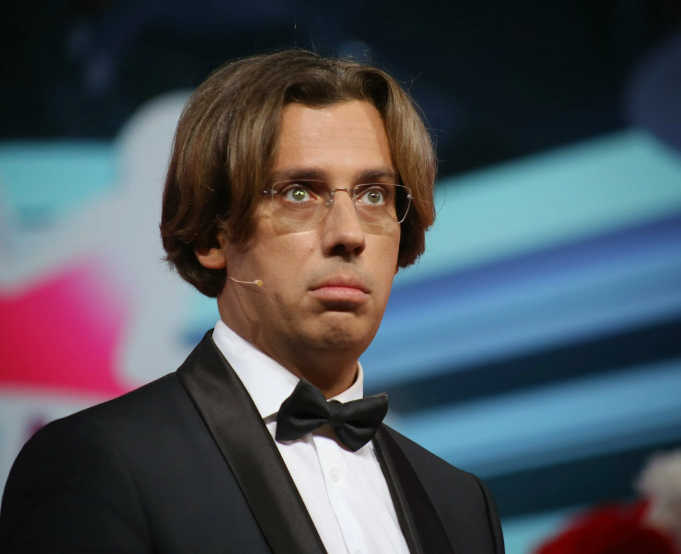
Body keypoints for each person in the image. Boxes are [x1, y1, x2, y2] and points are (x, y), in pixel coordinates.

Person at [0, 49, 504, 554]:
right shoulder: (96, 462)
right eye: (299, 193)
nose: (349, 234)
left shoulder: (461, 504)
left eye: (373, 195)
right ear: (212, 236)